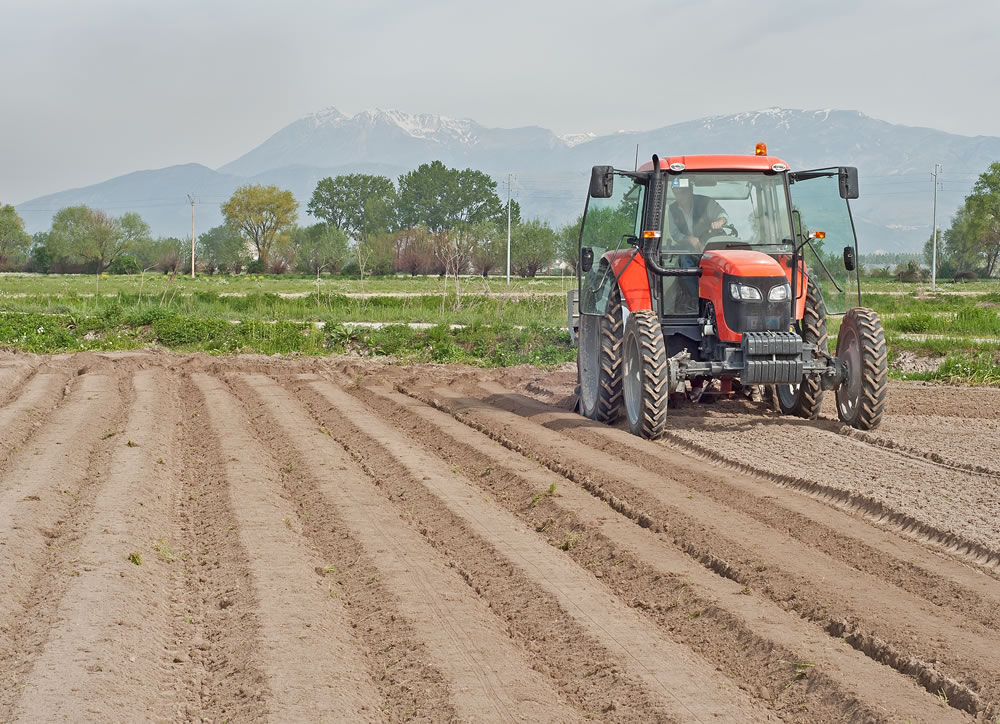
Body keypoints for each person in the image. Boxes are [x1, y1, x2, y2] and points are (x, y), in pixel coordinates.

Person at [667, 178, 728, 252]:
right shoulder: (672, 209)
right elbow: (675, 233)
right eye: (676, 194)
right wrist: (689, 239)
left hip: (711, 247)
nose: (680, 197)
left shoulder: (706, 203)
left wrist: (720, 221)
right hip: (688, 251)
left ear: (691, 190)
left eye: (682, 193)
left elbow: (721, 214)